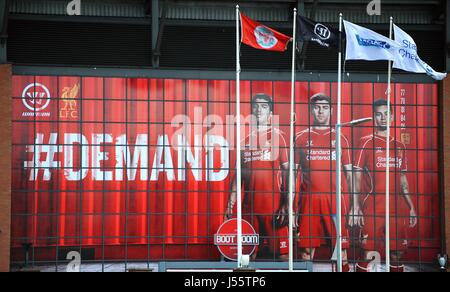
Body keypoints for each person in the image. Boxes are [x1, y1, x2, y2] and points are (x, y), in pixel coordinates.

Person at [350, 99, 417, 272]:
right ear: (374, 117)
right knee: (369, 254)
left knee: (396, 254)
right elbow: (356, 176)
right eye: (379, 114)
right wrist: (355, 206)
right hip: (372, 208)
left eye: (387, 114)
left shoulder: (399, 146)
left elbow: (403, 180)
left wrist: (410, 207)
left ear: (393, 117)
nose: (383, 118)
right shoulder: (366, 142)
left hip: (396, 209)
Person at [225, 93, 289, 260]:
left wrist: (287, 204)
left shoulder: (278, 137)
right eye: (256, 106)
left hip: (273, 208)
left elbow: (289, 172)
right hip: (250, 209)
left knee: (282, 256)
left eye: (264, 106)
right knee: (248, 256)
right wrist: (230, 204)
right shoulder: (245, 142)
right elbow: (238, 177)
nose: (259, 109)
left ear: (270, 113)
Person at [295, 93, 352, 272]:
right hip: (309, 201)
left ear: (331, 110)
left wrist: (354, 207)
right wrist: (292, 205)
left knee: (341, 251)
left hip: (335, 201)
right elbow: (293, 174)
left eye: (325, 107)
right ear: (311, 110)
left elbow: (349, 175)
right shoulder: (300, 137)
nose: (321, 111)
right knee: (305, 251)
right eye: (317, 107)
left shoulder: (340, 138)